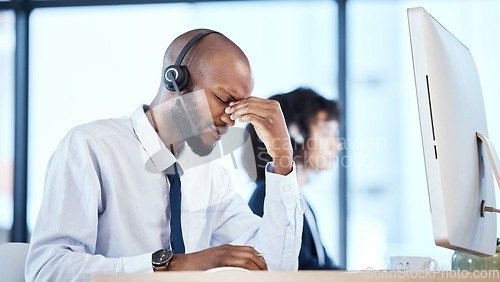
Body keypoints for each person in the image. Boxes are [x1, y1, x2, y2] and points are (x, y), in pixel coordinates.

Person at [25, 29, 303, 281]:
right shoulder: (92, 147)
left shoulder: (212, 177)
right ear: (175, 79)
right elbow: (48, 270)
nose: (232, 120)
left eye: (239, 107)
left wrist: (282, 159)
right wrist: (173, 266)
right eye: (223, 99)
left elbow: (275, 268)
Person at [245, 87, 343, 270]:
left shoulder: (302, 202)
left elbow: (324, 266)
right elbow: (303, 271)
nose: (336, 145)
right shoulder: (269, 196)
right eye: (325, 134)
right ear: (294, 135)